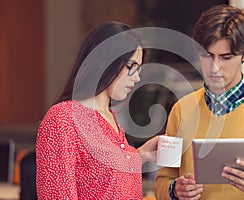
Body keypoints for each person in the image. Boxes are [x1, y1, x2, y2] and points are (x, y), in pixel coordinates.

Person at [154, 4, 244, 200]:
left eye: (226, 57)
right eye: (207, 55)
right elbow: (161, 182)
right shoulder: (181, 110)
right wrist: (174, 190)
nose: (214, 67)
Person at [36, 21, 158, 199]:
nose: (137, 77)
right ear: (103, 61)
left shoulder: (110, 117)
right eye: (131, 66)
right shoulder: (63, 119)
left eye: (138, 69)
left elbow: (100, 176)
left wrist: (141, 155)